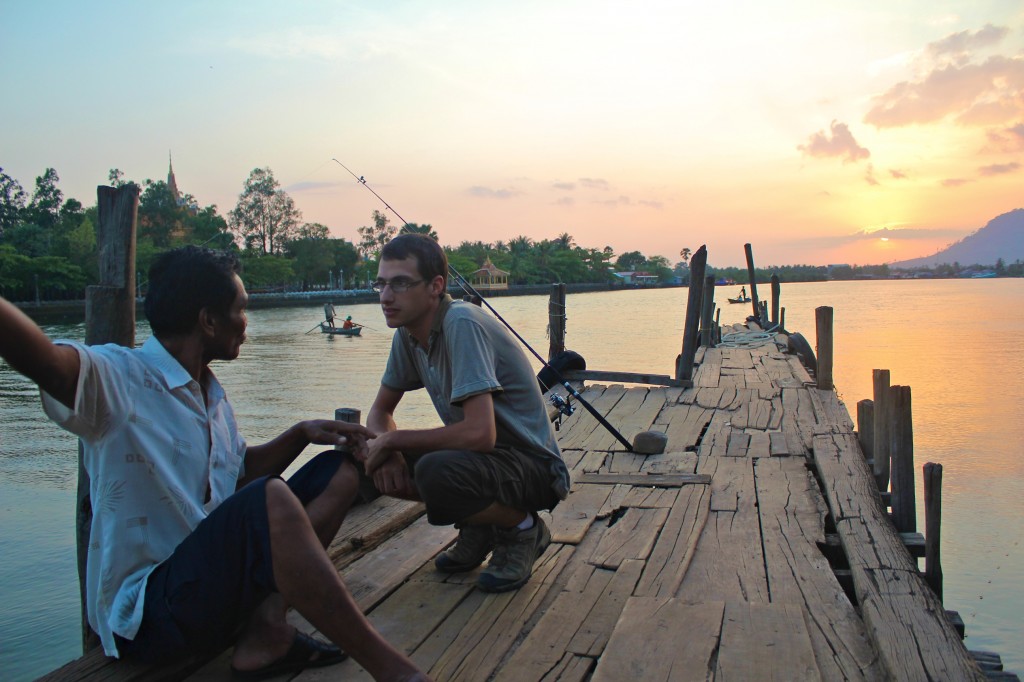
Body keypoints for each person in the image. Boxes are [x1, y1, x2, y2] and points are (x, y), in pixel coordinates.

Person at [0, 246, 427, 682]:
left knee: (338, 473)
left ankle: (267, 630)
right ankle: (394, 671)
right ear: (208, 321)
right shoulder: (119, 378)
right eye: (241, 309)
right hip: (150, 618)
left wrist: (301, 434)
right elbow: (48, 364)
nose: (247, 322)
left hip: (211, 591)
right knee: (270, 497)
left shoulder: (210, 393)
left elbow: (238, 476)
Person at [362, 234, 570, 593]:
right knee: (359, 451)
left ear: (435, 286)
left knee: (435, 472)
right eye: (380, 283)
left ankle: (521, 529)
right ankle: (479, 523)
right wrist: (387, 448)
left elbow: (479, 434)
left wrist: (394, 439)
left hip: (534, 468)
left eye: (400, 283)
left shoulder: (461, 323)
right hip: (487, 462)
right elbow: (380, 412)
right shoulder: (408, 333)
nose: (385, 296)